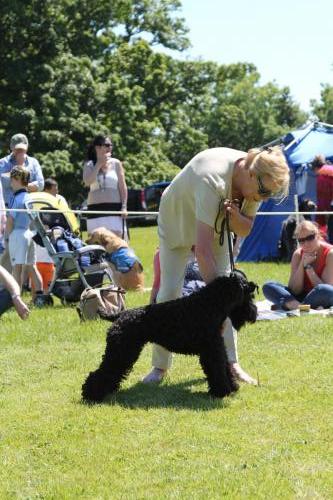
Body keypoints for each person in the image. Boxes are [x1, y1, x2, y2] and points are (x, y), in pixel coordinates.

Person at [143, 146, 290, 384]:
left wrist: (235, 218)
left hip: (215, 227)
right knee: (169, 292)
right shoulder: (212, 178)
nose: (264, 197)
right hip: (177, 222)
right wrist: (218, 304)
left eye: (270, 195)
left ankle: (231, 364)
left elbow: (245, 228)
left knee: (227, 288)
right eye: (263, 191)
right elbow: (202, 250)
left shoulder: (257, 186)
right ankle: (159, 367)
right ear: (251, 175)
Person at [263, 220, 333, 310]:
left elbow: (326, 287)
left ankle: (290, 305)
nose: (306, 244)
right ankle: (301, 307)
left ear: (318, 235)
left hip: (321, 294)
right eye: (301, 240)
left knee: (325, 290)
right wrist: (302, 263)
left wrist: (308, 267)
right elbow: (295, 290)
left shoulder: (330, 253)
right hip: (301, 296)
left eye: (310, 238)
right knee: (268, 286)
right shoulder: (298, 254)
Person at [0, 133, 44, 270]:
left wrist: (20, 181)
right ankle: (4, 287)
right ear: (11, 148)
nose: (20, 152)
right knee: (8, 250)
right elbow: (4, 181)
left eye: (22, 149)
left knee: (28, 250)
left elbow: (41, 184)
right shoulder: (3, 162)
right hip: (9, 211)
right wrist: (22, 175)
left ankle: (23, 286)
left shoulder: (33, 162)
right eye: (17, 149)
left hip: (28, 211)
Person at [5, 167, 44, 296]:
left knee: (17, 269)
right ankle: (39, 296)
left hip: (17, 234)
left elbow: (10, 220)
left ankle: (16, 298)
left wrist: (7, 238)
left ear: (17, 179)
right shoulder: (30, 198)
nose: (10, 182)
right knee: (32, 266)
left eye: (11, 179)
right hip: (29, 233)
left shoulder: (16, 198)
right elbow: (34, 219)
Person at [83, 134, 128, 238]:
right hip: (95, 211)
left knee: (117, 244)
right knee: (97, 247)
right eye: (107, 145)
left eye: (111, 145)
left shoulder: (116, 163)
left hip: (114, 210)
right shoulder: (89, 164)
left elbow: (122, 186)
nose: (110, 147)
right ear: (97, 147)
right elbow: (88, 182)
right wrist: (98, 164)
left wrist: (124, 207)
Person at [312, 154, 333, 243]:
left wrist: (321, 216)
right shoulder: (331, 170)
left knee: (332, 232)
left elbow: (323, 198)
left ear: (316, 168)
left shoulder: (322, 177)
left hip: (331, 209)